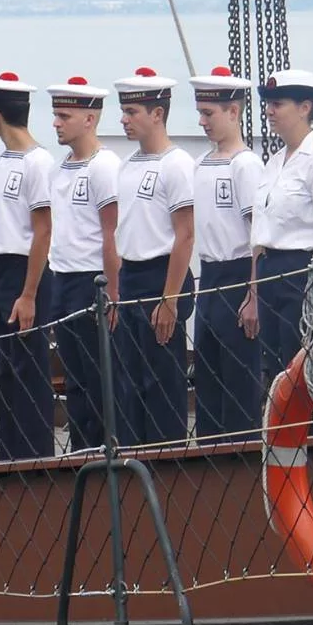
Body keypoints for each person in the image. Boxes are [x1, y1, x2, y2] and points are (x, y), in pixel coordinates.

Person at [241, 70, 313, 394]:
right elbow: (261, 234)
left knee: (302, 369)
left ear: (304, 107)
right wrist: (253, 291)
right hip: (271, 272)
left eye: (278, 104)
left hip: (303, 274)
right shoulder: (276, 162)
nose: (269, 111)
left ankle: (309, 429)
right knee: (276, 372)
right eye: (268, 104)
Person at [111, 69, 197, 447]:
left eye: (132, 112)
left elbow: (185, 234)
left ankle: (167, 459)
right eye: (124, 111)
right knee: (129, 383)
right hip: (130, 277)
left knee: (161, 381)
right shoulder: (128, 165)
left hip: (160, 276)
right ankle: (135, 456)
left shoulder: (176, 164)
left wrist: (170, 299)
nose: (124, 120)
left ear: (157, 114)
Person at [0, 72, 55, 460]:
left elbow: (42, 231)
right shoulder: (3, 161)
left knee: (28, 370)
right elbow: (3, 228)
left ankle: (34, 456)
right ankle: (9, 456)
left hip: (28, 272)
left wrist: (28, 294)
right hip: (3, 271)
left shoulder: (37, 162)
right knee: (7, 371)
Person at [47, 78, 121, 452]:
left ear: (89, 119)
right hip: (63, 278)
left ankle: (105, 450)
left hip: (91, 280)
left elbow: (111, 233)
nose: (56, 123)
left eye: (65, 116)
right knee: (74, 378)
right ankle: (81, 451)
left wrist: (113, 292)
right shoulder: (61, 168)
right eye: (56, 115)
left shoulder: (104, 166)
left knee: (98, 377)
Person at [190, 67, 263, 439]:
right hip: (210, 275)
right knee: (208, 374)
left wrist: (253, 294)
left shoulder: (245, 165)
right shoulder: (202, 164)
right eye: (200, 113)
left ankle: (241, 450)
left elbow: (257, 235)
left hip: (238, 274)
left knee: (239, 377)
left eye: (209, 113)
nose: (202, 121)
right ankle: (210, 448)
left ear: (233, 112)